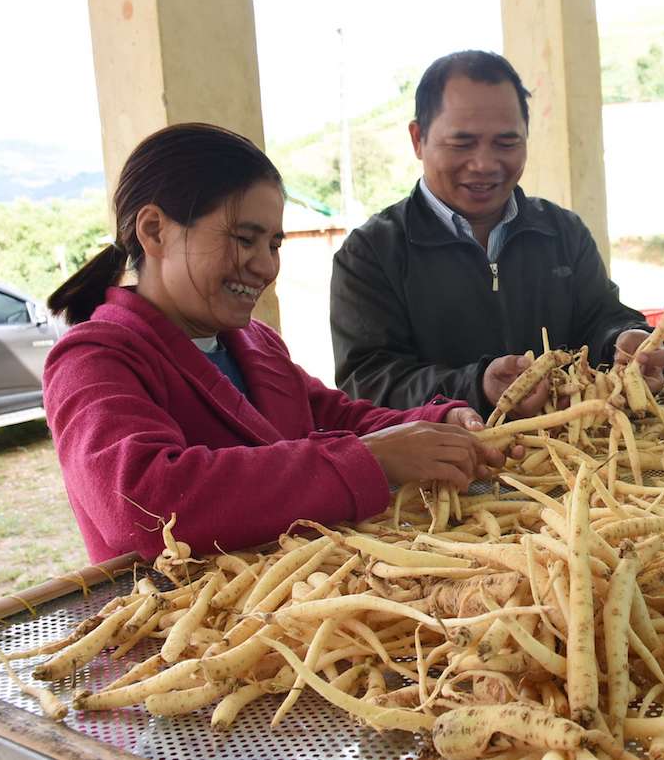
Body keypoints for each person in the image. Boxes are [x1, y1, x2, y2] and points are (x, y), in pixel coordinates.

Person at [45, 123, 503, 563]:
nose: (265, 267)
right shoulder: (94, 360)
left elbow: (338, 417)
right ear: (154, 231)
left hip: (285, 613)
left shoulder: (255, 343)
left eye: (274, 244)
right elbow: (144, 505)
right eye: (245, 239)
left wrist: (438, 424)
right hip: (184, 631)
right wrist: (371, 461)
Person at [330, 50, 664, 418]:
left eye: (507, 143)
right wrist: (476, 386)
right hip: (451, 467)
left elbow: (601, 317)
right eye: (462, 143)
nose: (485, 165)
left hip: (581, 462)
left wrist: (627, 344)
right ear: (418, 139)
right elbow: (367, 383)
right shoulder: (371, 254)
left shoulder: (562, 232)